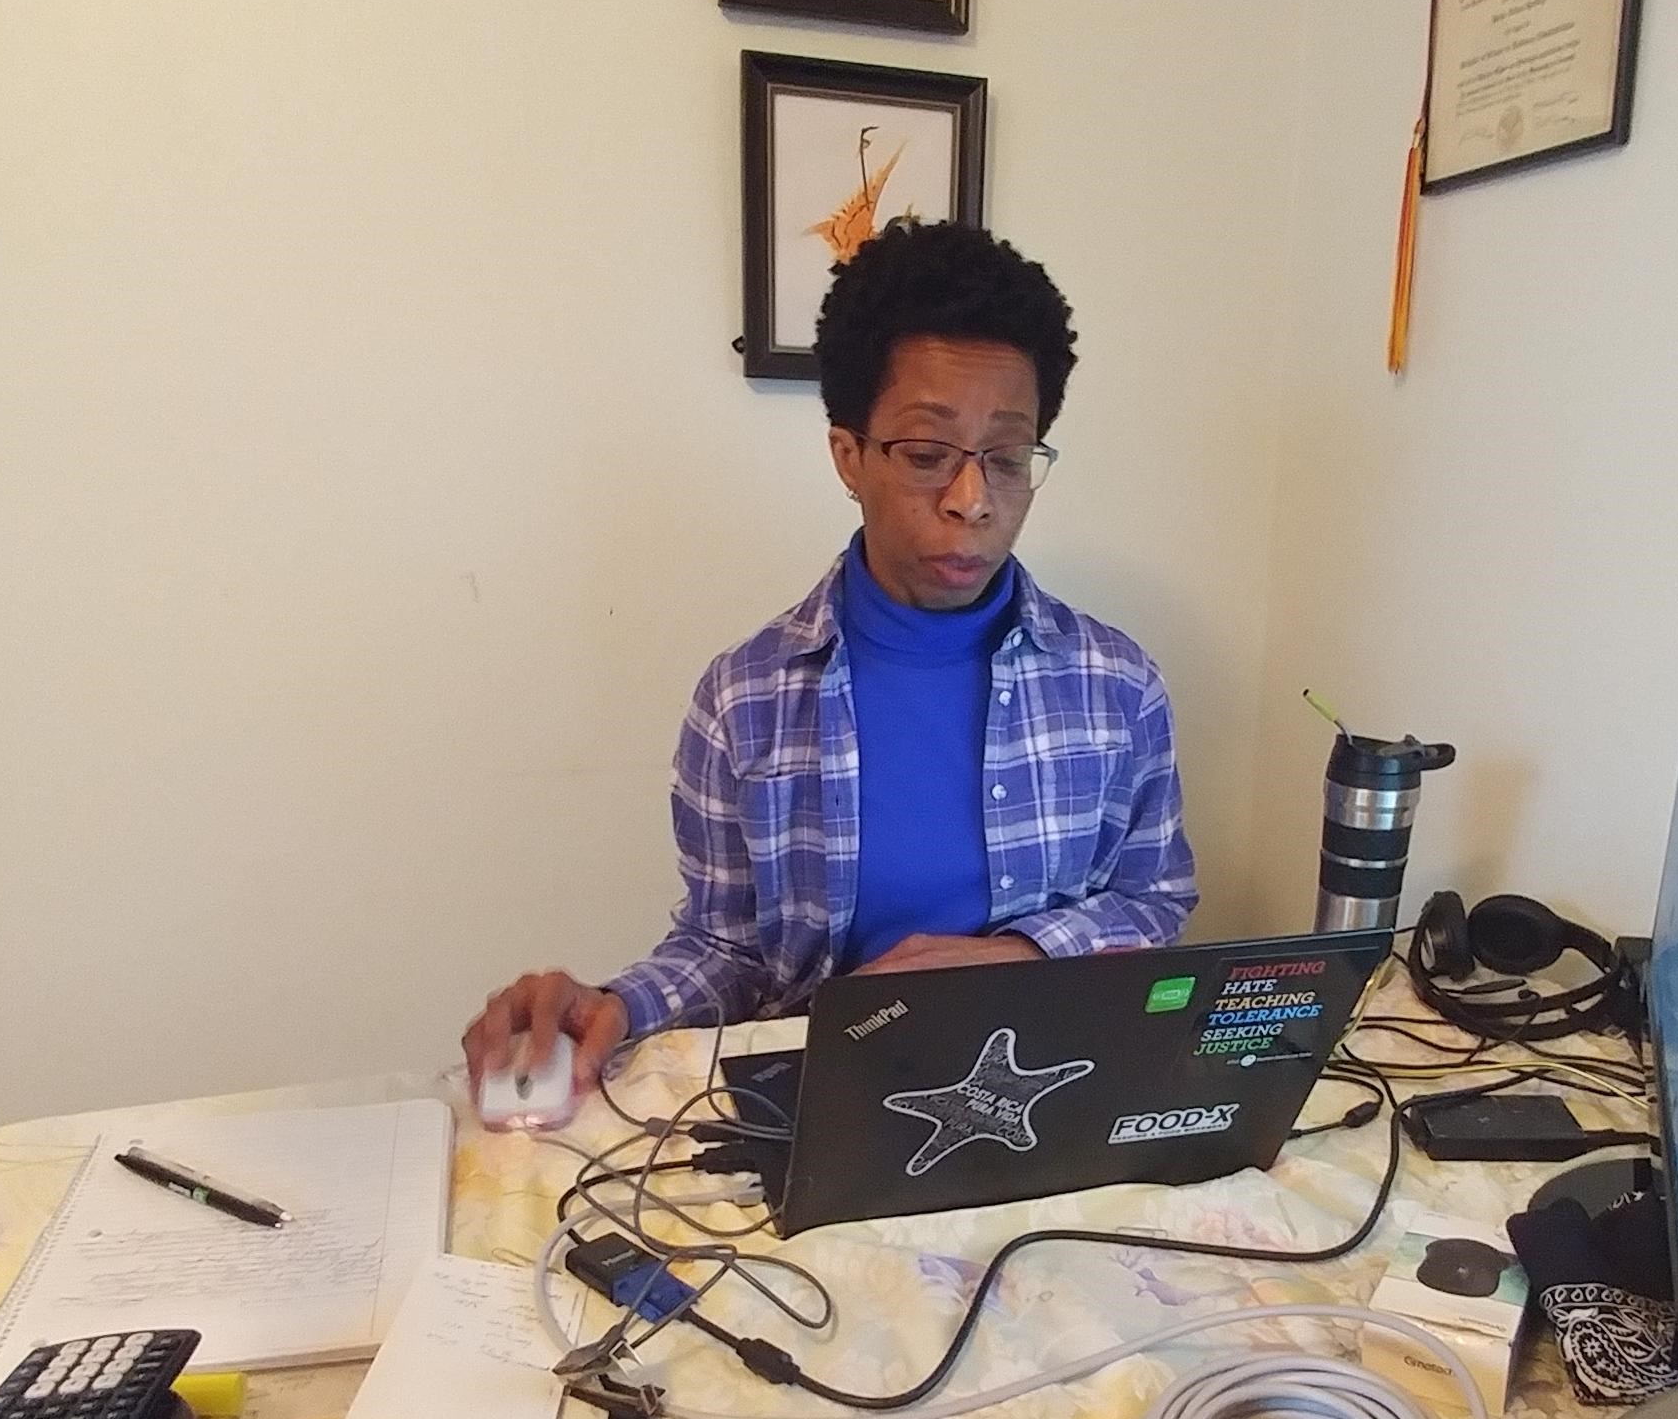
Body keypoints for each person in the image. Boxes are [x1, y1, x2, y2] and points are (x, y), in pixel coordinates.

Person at [462, 221, 1198, 1085]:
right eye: (927, 455)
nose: (971, 500)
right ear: (848, 456)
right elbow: (727, 949)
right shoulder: (746, 697)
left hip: (1049, 1086)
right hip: (821, 1094)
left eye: (1006, 458)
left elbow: (1156, 904)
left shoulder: (1116, 687)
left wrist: (1020, 955)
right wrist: (618, 1004)